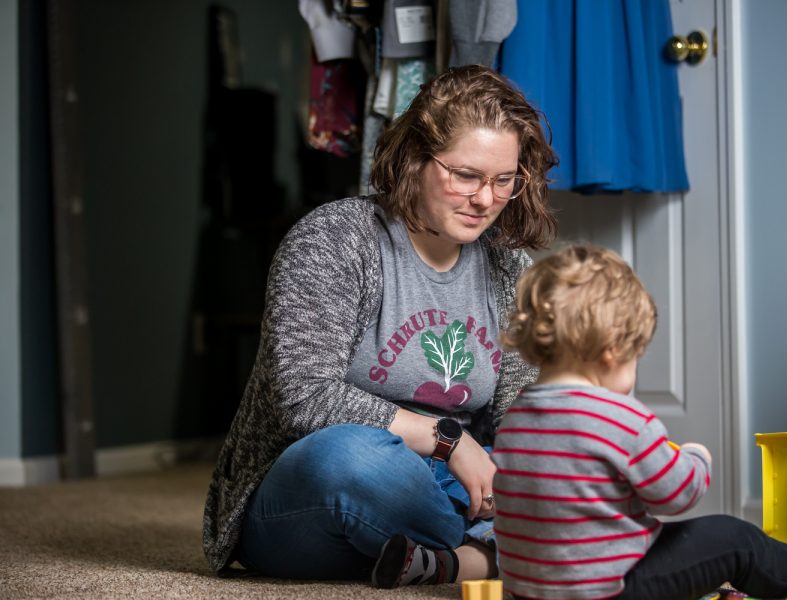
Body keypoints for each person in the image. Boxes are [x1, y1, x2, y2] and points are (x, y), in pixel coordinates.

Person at [201, 64, 559, 587]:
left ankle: (440, 558)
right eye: (466, 175)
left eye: (503, 180)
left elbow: (514, 419)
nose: (485, 199)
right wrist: (449, 441)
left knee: (569, 462)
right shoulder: (334, 239)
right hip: (315, 488)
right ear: (415, 158)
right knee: (353, 458)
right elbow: (303, 398)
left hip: (454, 489)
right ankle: (498, 555)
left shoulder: (507, 268)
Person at [493, 244, 787, 600]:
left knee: (649, 535)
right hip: (613, 591)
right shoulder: (621, 419)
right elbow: (674, 494)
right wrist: (696, 460)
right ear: (613, 349)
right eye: (635, 356)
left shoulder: (516, 417)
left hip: (531, 591)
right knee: (732, 537)